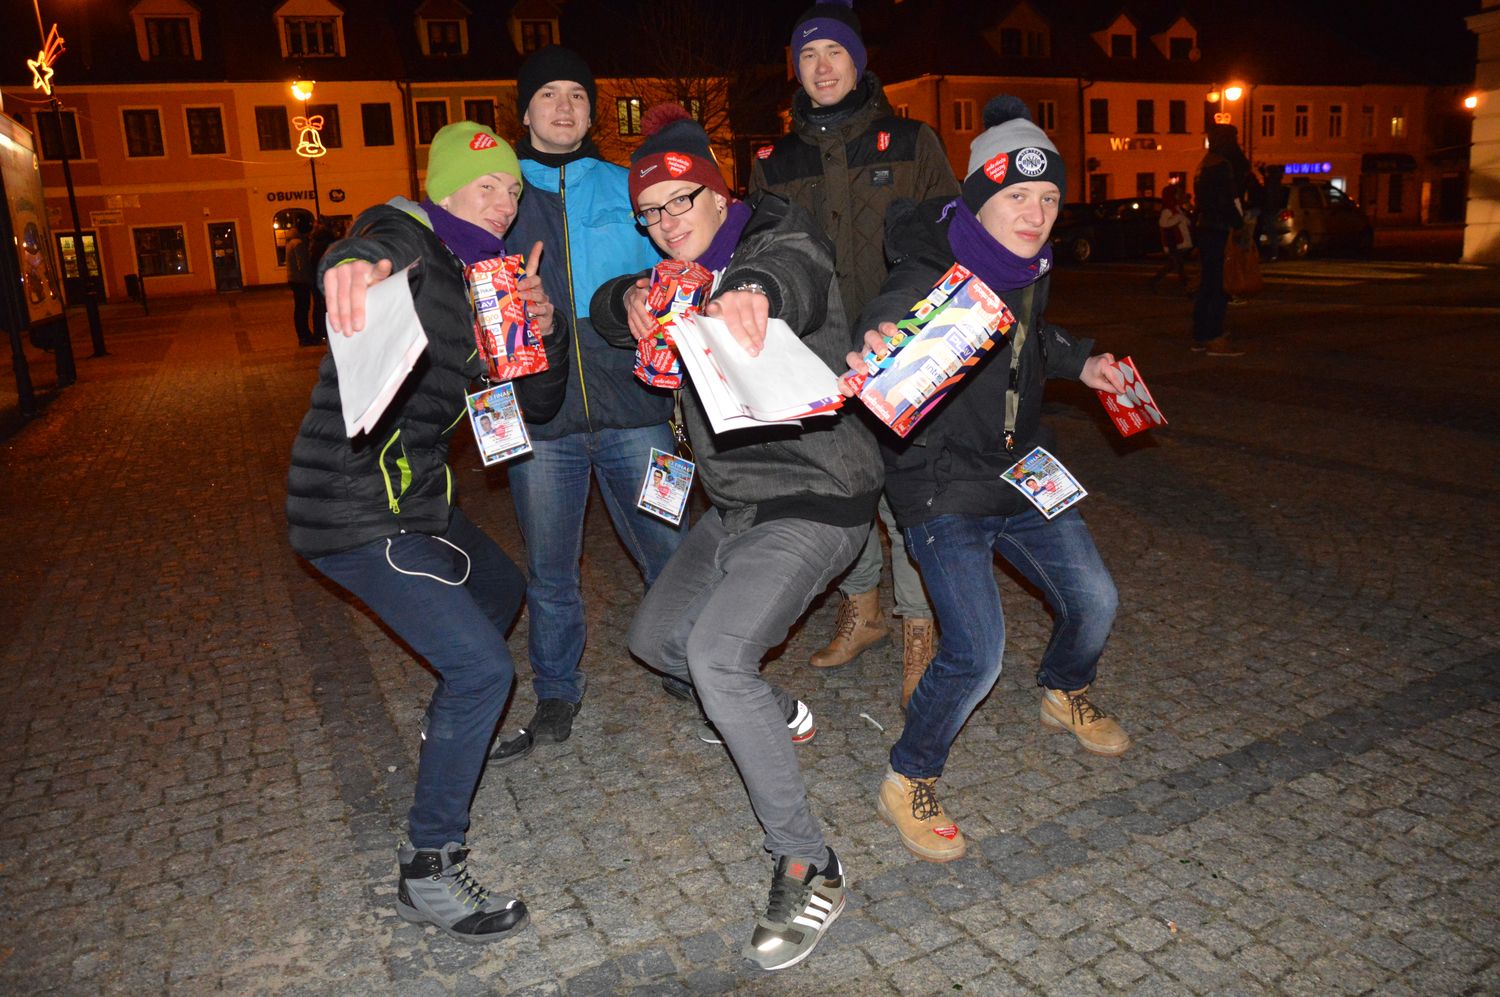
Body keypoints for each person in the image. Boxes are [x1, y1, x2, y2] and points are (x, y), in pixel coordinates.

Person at [592, 105, 882, 971]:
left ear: (720, 194)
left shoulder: (776, 239)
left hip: (818, 495)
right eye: (651, 213)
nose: (667, 222)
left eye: (682, 201)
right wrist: (625, 298)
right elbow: (606, 307)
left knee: (717, 657)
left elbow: (789, 268)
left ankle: (809, 862)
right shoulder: (674, 277)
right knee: (655, 640)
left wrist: (755, 294)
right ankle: (772, 710)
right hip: (735, 506)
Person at [286, 122, 570, 944]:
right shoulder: (411, 241)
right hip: (355, 506)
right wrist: (347, 265)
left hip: (416, 498)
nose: (503, 202)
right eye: (485, 187)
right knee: (484, 670)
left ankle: (451, 727)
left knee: (501, 588)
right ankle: (430, 869)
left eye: (512, 190)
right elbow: (367, 247)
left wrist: (543, 330)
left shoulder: (486, 279)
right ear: (443, 191)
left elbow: (536, 404)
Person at [842, 96, 1131, 864]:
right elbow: (889, 316)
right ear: (977, 199)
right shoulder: (929, 269)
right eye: (1017, 196)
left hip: (1020, 468)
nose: (1035, 215)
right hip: (940, 482)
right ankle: (908, 775)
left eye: (1049, 199)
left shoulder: (1028, 267)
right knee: (976, 649)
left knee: (1096, 598)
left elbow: (1028, 341)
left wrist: (1082, 362)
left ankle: (1063, 687)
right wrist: (877, 340)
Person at [751, 0, 960, 705]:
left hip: (898, 348)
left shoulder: (913, 141)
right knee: (840, 488)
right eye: (807, 55)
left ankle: (919, 624)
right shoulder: (773, 161)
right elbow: (764, 253)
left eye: (833, 52)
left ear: (859, 61)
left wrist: (917, 327)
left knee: (908, 492)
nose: (821, 67)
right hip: (815, 354)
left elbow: (945, 239)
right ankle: (863, 605)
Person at [490, 46, 690, 764]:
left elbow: (680, 255)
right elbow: (429, 224)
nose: (564, 107)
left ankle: (685, 660)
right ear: (525, 111)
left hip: (637, 407)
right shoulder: (501, 193)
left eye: (577, 94)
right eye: (549, 94)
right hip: (543, 419)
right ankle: (555, 689)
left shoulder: (626, 183)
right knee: (550, 569)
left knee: (671, 548)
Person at [1191, 123, 1248, 356]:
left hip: (1207, 228)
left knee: (1208, 285)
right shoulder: (1221, 166)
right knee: (1218, 286)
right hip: (1218, 230)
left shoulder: (1205, 164)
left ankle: (1201, 334)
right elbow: (1226, 201)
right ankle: (1213, 337)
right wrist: (1239, 224)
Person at [1150, 184, 1193, 294]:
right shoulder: (1167, 210)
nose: (1179, 196)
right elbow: (1164, 223)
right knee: (1178, 266)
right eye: (1177, 194)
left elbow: (1186, 221)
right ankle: (1187, 287)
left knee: (1173, 265)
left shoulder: (1176, 208)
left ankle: (1154, 282)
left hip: (1178, 242)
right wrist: (1178, 218)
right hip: (1173, 243)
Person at [285, 216, 317, 346]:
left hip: (295, 279)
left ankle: (304, 335)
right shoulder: (298, 243)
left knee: (300, 309)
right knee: (302, 309)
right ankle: (304, 336)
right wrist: (310, 279)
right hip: (300, 280)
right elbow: (303, 265)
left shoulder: (291, 241)